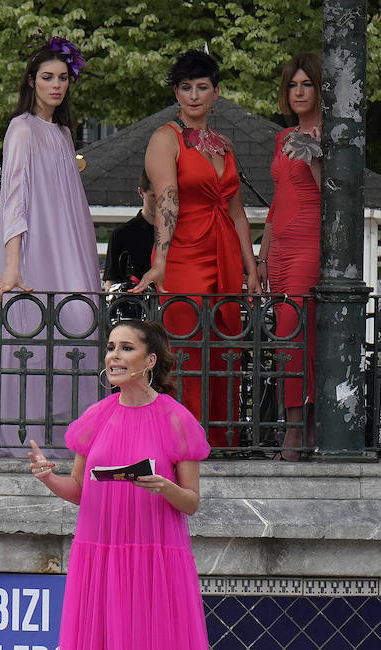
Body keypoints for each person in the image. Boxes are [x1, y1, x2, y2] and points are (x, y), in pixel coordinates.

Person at [28, 319, 224, 650]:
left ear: (150, 360)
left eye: (127, 348)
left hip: (153, 560)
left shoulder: (177, 420)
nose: (114, 355)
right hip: (99, 555)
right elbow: (78, 492)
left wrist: (164, 488)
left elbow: (192, 502)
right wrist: (48, 478)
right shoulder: (94, 418)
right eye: (111, 347)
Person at [0, 38, 103, 458]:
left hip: (70, 244)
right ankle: (27, 436)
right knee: (32, 335)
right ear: (32, 81)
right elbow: (14, 195)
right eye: (47, 77)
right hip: (35, 248)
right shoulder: (21, 127)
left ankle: (74, 436)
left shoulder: (64, 133)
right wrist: (12, 267)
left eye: (63, 78)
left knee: (75, 325)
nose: (56, 85)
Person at [140, 50, 260, 449]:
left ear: (216, 93)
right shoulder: (164, 138)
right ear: (177, 93)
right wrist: (159, 261)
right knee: (186, 350)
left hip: (224, 250)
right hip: (185, 253)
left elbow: (237, 211)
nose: (194, 95)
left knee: (225, 346)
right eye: (186, 87)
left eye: (202, 87)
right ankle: (182, 444)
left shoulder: (224, 144)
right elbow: (167, 199)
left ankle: (222, 439)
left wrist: (252, 269)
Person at [257, 53, 323, 460]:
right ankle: (302, 428)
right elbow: (278, 199)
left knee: (295, 337)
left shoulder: (332, 132)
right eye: (293, 85)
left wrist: (317, 154)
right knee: (287, 342)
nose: (299, 92)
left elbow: (335, 194)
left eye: (307, 84)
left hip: (309, 244)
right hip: (278, 247)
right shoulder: (283, 137)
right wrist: (262, 255)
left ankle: (297, 433)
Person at [103, 169, 157, 320]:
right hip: (134, 314)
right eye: (154, 196)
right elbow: (111, 282)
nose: (161, 201)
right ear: (141, 193)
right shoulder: (121, 234)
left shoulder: (179, 232)